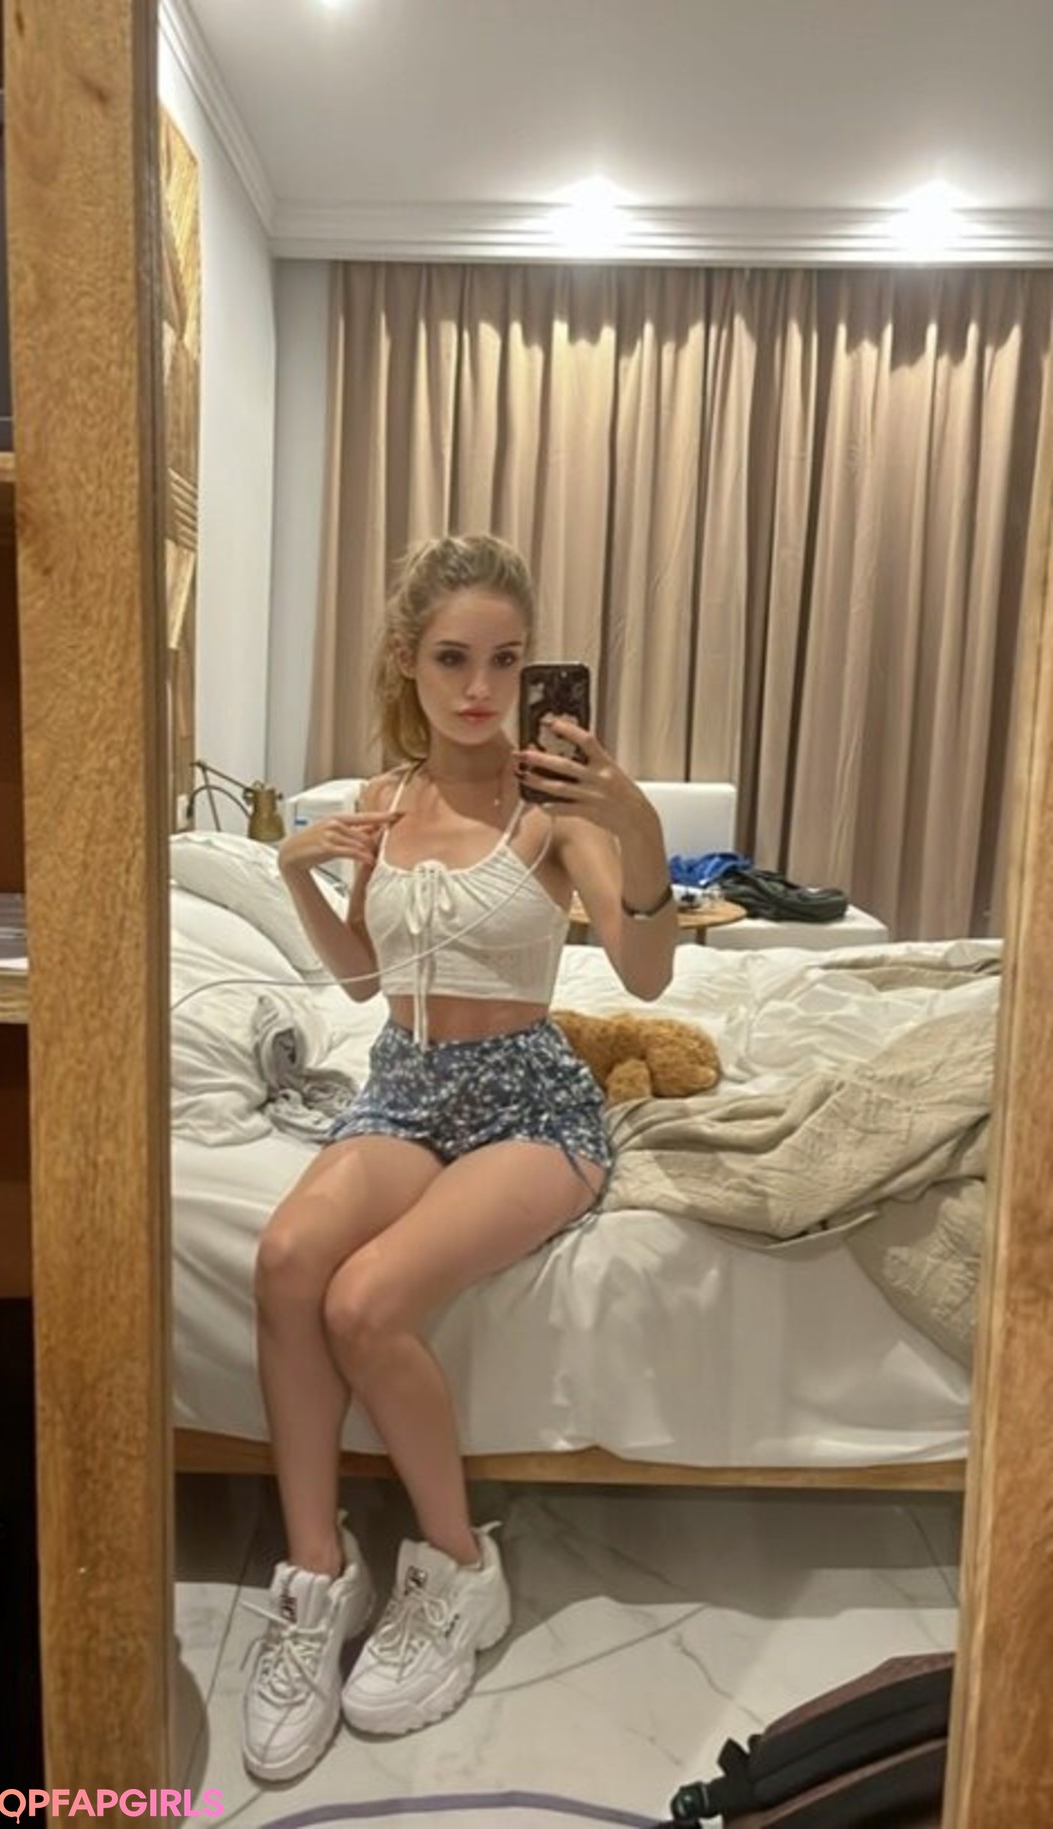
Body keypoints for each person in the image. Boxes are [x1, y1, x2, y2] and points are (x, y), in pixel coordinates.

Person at [241, 533, 677, 1781]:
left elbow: (648, 971)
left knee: (366, 1300)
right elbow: (361, 980)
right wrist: (296, 870)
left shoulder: (554, 813)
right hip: (407, 1082)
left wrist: (636, 820)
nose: (481, 688)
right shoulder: (382, 802)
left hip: (529, 1102)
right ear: (408, 660)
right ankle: (315, 1576)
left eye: (505, 660)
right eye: (452, 658)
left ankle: (458, 1569)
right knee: (287, 1259)